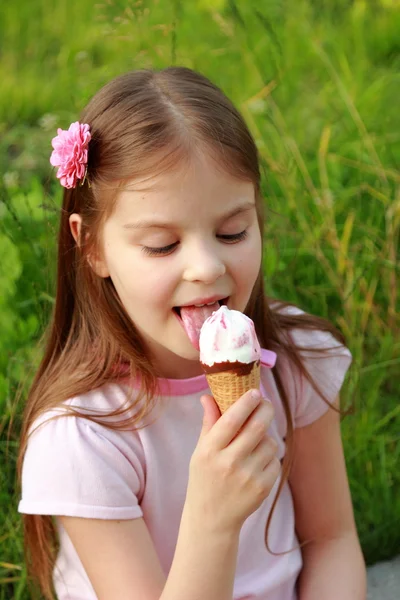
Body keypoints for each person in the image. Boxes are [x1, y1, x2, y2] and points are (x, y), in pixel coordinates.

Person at [17, 67, 367, 600]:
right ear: (92, 247)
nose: (206, 267)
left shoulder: (294, 361)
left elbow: (331, 538)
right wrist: (213, 521)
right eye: (161, 244)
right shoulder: (84, 437)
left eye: (233, 232)